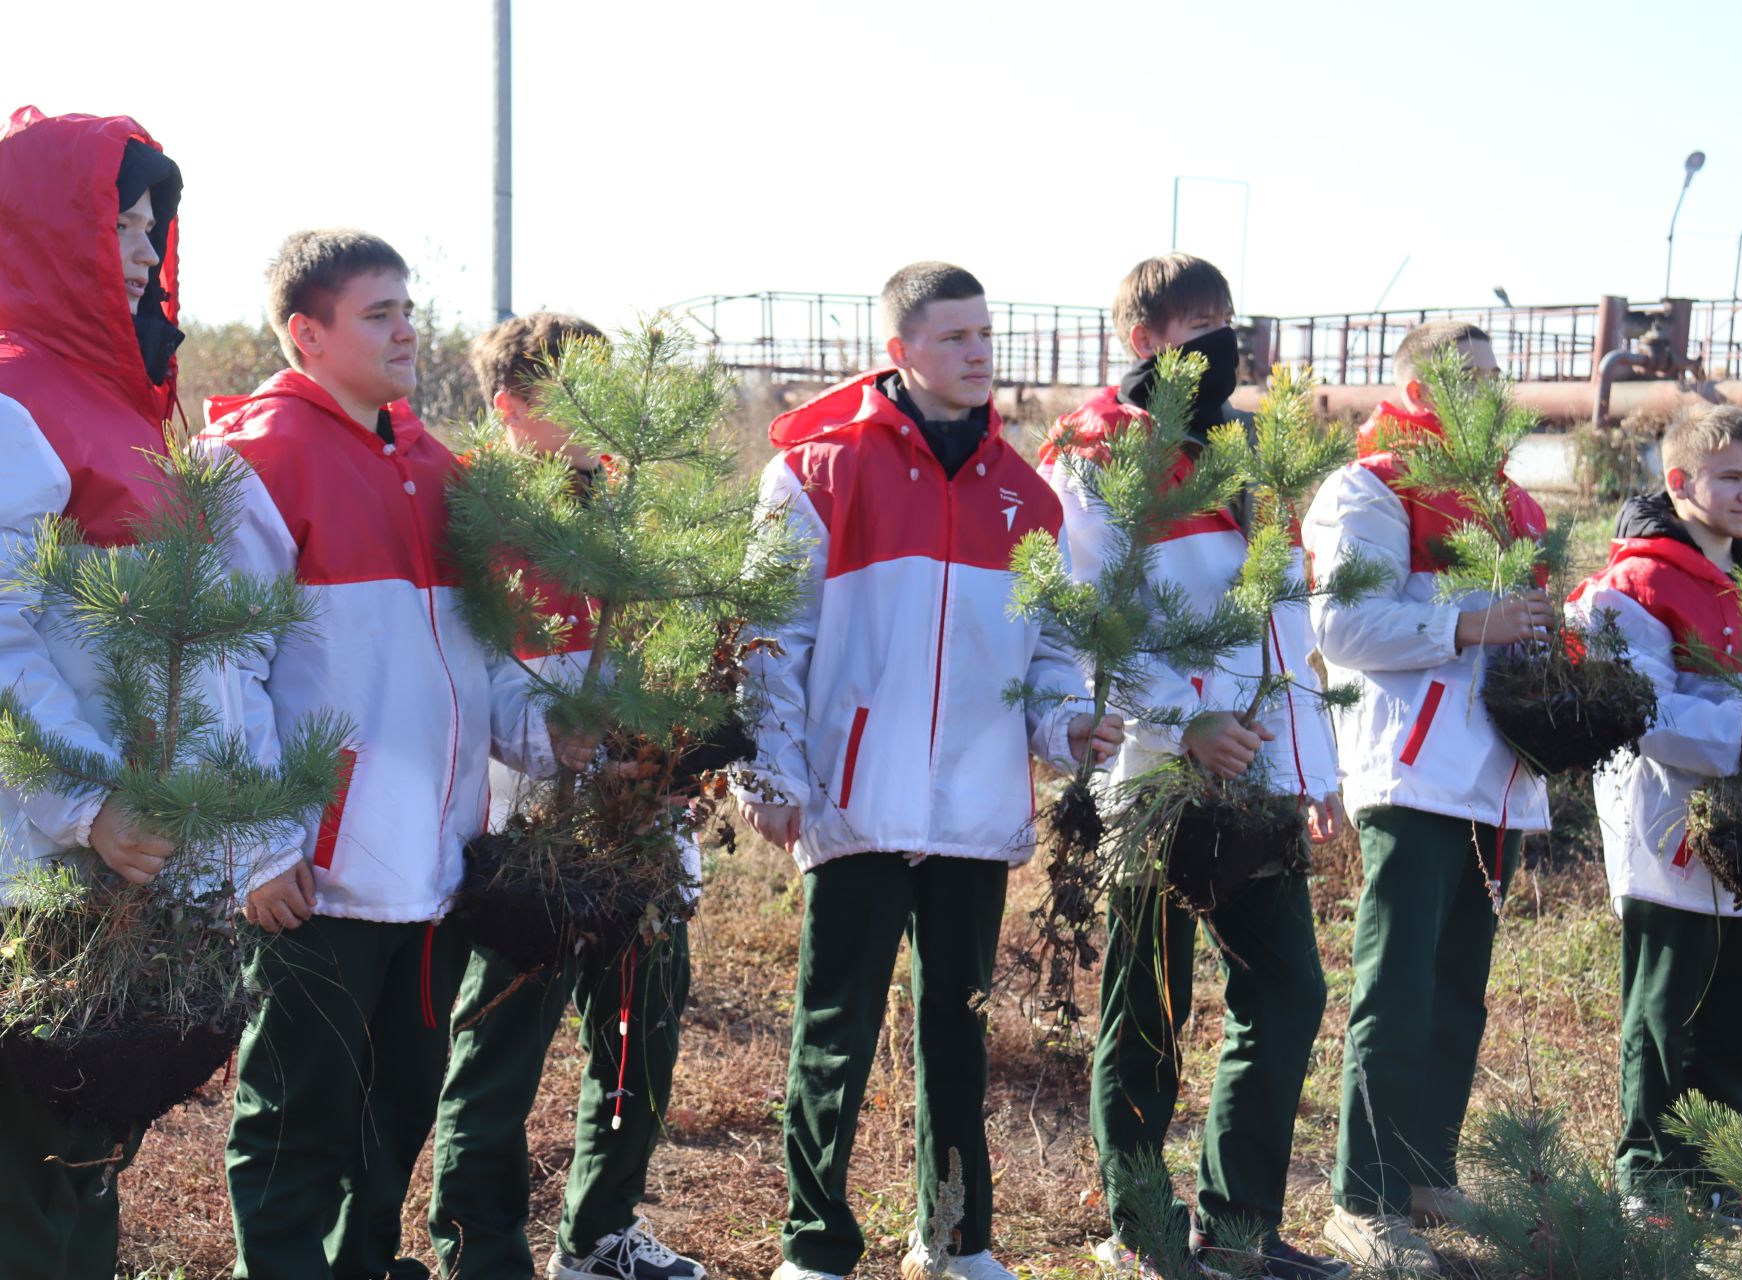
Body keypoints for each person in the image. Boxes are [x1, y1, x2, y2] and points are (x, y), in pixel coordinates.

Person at [740, 261, 1124, 1280]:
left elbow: (1050, 652)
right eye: (954, 336)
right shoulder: (817, 471)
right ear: (900, 350)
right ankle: (814, 1246)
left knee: (958, 1034)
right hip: (853, 800)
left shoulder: (1029, 493)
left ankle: (956, 1239)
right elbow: (769, 635)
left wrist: (1069, 725)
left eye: (983, 333)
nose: (978, 352)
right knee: (836, 1030)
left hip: (974, 806)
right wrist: (772, 771)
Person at [203, 230, 569, 1280]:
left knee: (403, 1094)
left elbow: (483, 663)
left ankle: (355, 1262)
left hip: (433, 864)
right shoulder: (251, 463)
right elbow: (222, 678)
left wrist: (550, 734)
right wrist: (264, 843)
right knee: (298, 1108)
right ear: (305, 333)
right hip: (318, 872)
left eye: (409, 307)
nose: (408, 328)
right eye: (379, 313)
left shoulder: (439, 470)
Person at [0, 105, 189, 1280]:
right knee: (20, 1161)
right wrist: (92, 802)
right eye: (121, 220)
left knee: (90, 1148)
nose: (150, 246)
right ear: (52, 230)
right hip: (37, 848)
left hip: (124, 848)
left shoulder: (121, 405)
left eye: (157, 221)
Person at [1039, 254, 1346, 1279]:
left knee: (1288, 988)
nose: (1218, 338)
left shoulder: (1248, 452)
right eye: (1193, 323)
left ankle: (1241, 1226)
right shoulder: (1093, 455)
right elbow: (1088, 627)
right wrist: (1183, 723)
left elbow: (1283, 622)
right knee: (1150, 1009)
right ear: (1141, 341)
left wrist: (1309, 762)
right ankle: (1140, 1229)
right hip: (1154, 774)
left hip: (1253, 772)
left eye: (1226, 318)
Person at [429, 312, 704, 1280]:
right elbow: (465, 679)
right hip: (523, 831)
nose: (599, 413)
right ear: (508, 406)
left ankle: (598, 1233)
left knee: (641, 1030)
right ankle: (478, 1249)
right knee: (501, 1044)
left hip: (633, 824)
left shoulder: (628, 513)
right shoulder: (471, 515)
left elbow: (669, 657)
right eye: (570, 392)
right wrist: (559, 748)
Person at [1302, 321, 1552, 1273]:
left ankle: (1420, 1169)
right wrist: (1471, 620)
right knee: (1396, 986)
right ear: (1411, 385)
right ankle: (1359, 1199)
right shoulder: (1364, 487)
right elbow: (1343, 623)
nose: (1484, 392)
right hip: (1411, 775)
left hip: (1496, 779)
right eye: (1462, 377)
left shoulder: (1509, 504)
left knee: (1457, 987)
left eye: (1494, 377)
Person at [1566, 404, 1742, 1223]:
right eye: (1731, 478)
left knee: (1738, 1006)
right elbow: (1637, 706)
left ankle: (1718, 1174)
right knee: (1668, 1008)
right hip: (1673, 831)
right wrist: (1738, 737)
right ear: (1679, 482)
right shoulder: (1633, 584)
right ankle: (1651, 1179)